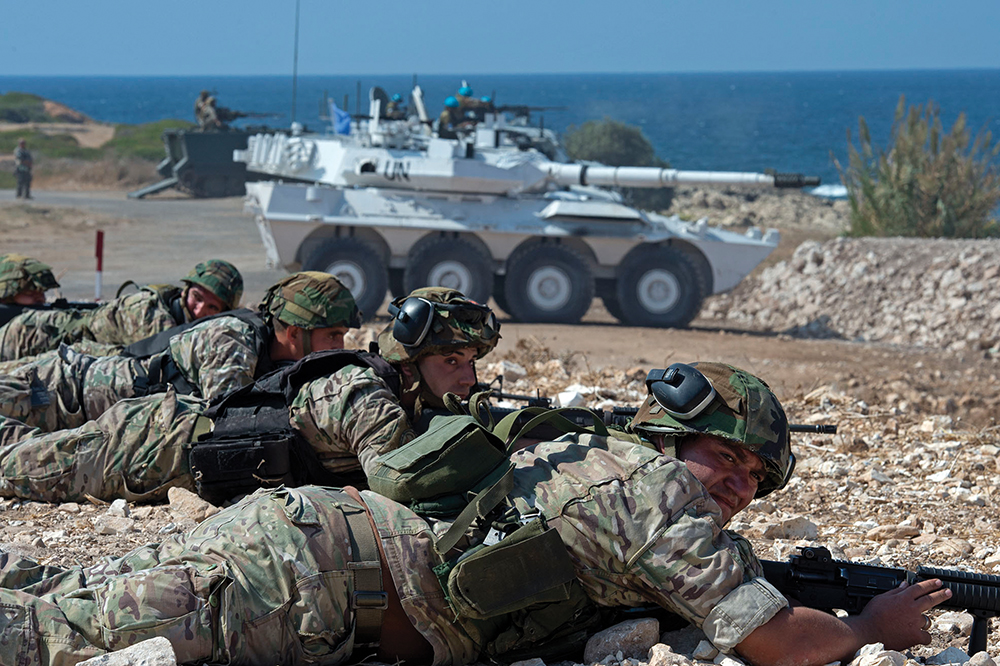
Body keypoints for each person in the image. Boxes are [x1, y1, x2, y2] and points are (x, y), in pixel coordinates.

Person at [0, 362, 951, 666]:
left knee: (51, 596)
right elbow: (774, 640)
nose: (738, 486)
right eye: (727, 459)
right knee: (40, 641)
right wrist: (873, 625)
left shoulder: (593, 457)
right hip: (301, 580)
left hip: (307, 548)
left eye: (756, 480)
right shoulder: (651, 492)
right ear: (670, 437)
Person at [0, 286, 500, 504]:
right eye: (451, 362)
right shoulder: (365, 395)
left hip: (186, 445)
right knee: (16, 467)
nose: (466, 378)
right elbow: (399, 483)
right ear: (410, 364)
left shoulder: (404, 395)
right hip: (158, 443)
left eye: (471, 362)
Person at [0, 272, 358, 432]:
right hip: (62, 392)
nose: (339, 347)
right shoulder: (232, 340)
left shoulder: (269, 350)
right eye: (333, 335)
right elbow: (232, 423)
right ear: (295, 332)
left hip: (89, 406)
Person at [0, 259, 243, 361]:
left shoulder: (175, 310)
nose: (200, 309)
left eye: (212, 307)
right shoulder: (151, 316)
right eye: (197, 298)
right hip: (35, 336)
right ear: (185, 290)